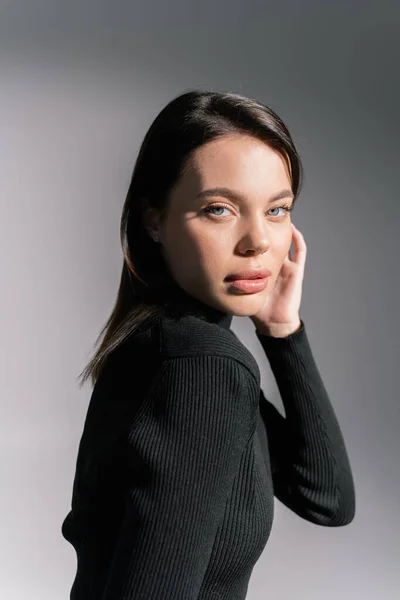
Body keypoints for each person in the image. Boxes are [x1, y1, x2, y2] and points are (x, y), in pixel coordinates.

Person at [61, 89, 356, 600]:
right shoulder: (202, 364)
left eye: (277, 210)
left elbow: (325, 497)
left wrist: (283, 330)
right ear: (154, 220)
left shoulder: (162, 344)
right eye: (220, 209)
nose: (258, 241)